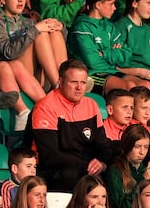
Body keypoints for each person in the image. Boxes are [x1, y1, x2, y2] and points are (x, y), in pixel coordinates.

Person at [28, 60, 110, 191]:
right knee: (69, 174)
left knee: (117, 167)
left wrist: (101, 161)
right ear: (61, 82)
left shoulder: (91, 105)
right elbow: (50, 155)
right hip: (54, 169)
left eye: (83, 82)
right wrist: (86, 166)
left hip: (84, 166)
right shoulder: (45, 107)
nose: (79, 87)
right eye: (74, 82)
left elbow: (103, 144)